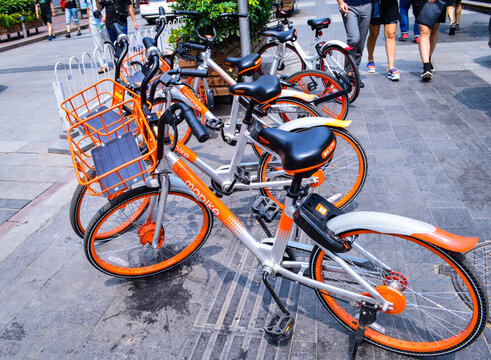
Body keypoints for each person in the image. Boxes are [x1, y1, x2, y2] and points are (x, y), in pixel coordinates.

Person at [337, 0, 372, 87]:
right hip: (349, 6)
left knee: (361, 44)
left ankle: (355, 72)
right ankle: (348, 72)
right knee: (354, 39)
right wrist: (341, 2)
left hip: (367, 5)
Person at [366, 0, 401, 80]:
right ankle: (370, 58)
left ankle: (391, 66)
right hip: (375, 4)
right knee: (374, 34)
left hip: (391, 5)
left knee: (391, 34)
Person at [413, 0, 447, 81]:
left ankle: (428, 57)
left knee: (434, 29)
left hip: (438, 2)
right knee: (424, 30)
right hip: (420, 3)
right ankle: (426, 66)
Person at [85, 0, 110, 73]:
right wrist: (89, 23)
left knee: (109, 42)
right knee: (98, 45)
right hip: (93, 22)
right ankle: (103, 65)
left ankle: (115, 61)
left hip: (103, 21)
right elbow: (88, 8)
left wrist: (105, 16)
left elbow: (107, 6)